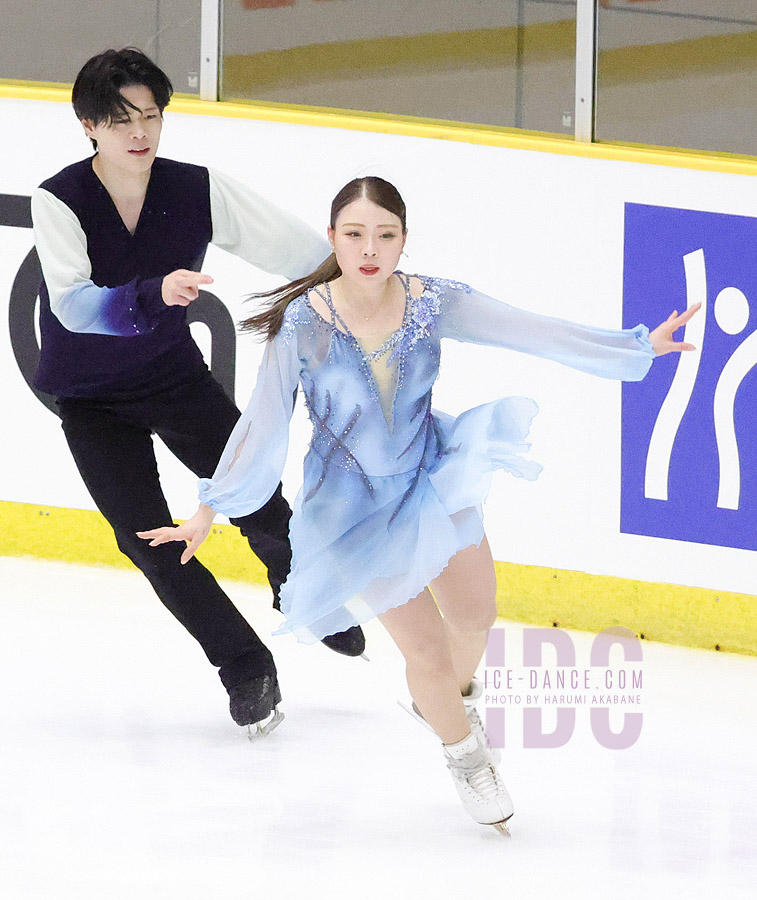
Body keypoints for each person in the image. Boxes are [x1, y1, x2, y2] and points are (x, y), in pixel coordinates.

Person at [137, 177, 698, 830]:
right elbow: (262, 424)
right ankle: (465, 756)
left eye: (385, 235)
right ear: (332, 239)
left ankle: (452, 699)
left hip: (432, 478)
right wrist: (209, 508)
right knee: (425, 654)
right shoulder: (303, 324)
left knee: (474, 618)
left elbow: (528, 330)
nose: (369, 249)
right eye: (354, 234)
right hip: (353, 512)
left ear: (403, 239)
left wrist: (633, 347)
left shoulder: (433, 303)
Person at [30, 48, 366, 738]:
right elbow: (70, 305)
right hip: (89, 396)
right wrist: (154, 290)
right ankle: (245, 666)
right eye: (122, 119)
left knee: (257, 496)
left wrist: (360, 285)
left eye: (151, 116)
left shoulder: (196, 188)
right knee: (147, 540)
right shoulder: (59, 199)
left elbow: (299, 252)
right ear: (88, 125)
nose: (140, 133)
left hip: (170, 375)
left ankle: (299, 586)